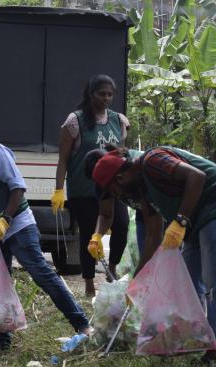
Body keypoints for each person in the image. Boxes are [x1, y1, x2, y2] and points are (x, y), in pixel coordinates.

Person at [0, 106, 91, 350]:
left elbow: (17, 188)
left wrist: (5, 219)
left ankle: (82, 324)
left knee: (41, 275)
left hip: (18, 226)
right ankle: (2, 343)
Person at [90, 145, 216, 366]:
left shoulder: (153, 160)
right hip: (194, 218)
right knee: (187, 283)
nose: (117, 196)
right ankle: (192, 339)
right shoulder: (142, 191)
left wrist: (181, 221)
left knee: (214, 281)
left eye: (112, 191)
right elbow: (153, 235)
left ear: (120, 179)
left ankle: (215, 351)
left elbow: (196, 177)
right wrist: (137, 282)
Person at [52, 74, 131, 296]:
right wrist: (59, 189)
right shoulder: (75, 121)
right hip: (84, 189)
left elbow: (122, 153)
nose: (106, 98)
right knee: (89, 234)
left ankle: (111, 268)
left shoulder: (119, 121)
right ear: (90, 94)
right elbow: (64, 159)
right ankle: (88, 282)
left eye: (110, 94)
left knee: (122, 226)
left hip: (112, 187)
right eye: (101, 94)